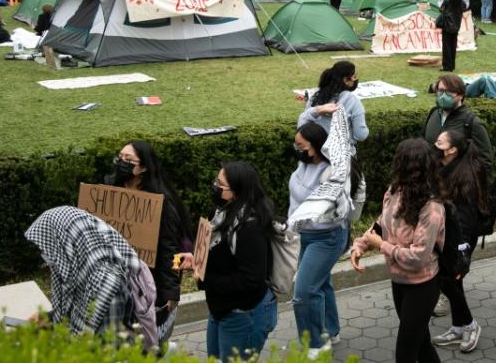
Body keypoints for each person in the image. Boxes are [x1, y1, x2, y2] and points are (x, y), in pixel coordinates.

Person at [351, 139, 445, 363]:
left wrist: (380, 245)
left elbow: (418, 257)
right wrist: (361, 245)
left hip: (422, 286)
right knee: (421, 344)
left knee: (405, 354)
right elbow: (382, 223)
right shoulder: (394, 191)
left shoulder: (432, 208)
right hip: (399, 282)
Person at [177, 162, 277, 361]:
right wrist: (197, 260)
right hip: (222, 309)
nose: (215, 186)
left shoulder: (249, 227)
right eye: (216, 180)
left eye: (220, 184)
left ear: (238, 192)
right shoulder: (222, 213)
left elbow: (250, 280)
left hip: (243, 313)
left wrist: (206, 280)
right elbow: (221, 255)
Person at [25, 206, 158, 349]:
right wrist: (47, 319)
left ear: (68, 243)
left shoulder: (108, 285)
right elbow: (75, 309)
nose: (47, 255)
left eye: (51, 247)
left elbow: (108, 349)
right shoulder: (82, 273)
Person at [104, 140, 192, 344]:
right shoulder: (108, 188)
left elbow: (171, 251)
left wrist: (171, 291)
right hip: (114, 281)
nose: (121, 162)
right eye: (120, 157)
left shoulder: (161, 202)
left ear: (143, 167)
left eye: (129, 160)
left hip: (145, 282)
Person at [288, 117, 354, 356]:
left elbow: (336, 209)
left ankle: (316, 343)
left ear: (316, 145)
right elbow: (306, 118)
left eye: (301, 145)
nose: (297, 149)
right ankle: (331, 330)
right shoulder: (304, 164)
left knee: (303, 293)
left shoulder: (332, 172)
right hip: (305, 236)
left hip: (327, 238)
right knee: (321, 283)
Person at [430, 129, 488, 353]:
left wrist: (460, 248)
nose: (434, 144)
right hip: (444, 234)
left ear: (452, 149)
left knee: (450, 281)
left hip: (458, 238)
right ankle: (458, 327)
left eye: (439, 142)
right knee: (451, 282)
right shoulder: (442, 167)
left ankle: (470, 325)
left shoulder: (466, 176)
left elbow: (465, 217)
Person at [422, 74, 493, 171]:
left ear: (460, 95)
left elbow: (485, 161)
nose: (443, 96)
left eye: (449, 92)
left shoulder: (472, 122)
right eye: (441, 91)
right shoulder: (434, 113)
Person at [297, 61, 368, 154]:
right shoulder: (352, 100)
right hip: (342, 158)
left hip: (316, 155)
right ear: (346, 80)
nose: (355, 80)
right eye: (354, 77)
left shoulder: (315, 96)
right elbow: (361, 135)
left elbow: (302, 125)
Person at [438, 0, 464, 72]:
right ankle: (452, 65)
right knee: (453, 46)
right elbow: (464, 8)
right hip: (456, 26)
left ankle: (446, 65)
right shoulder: (460, 1)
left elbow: (441, 9)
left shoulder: (447, 0)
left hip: (447, 26)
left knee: (446, 47)